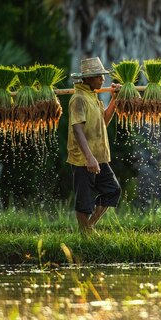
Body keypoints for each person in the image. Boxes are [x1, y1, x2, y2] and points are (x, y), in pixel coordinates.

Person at [67, 57, 121, 234]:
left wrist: (114, 100)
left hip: (99, 157)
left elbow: (103, 122)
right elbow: (77, 130)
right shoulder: (79, 99)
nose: (103, 79)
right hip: (84, 159)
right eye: (99, 76)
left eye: (102, 75)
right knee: (84, 202)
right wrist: (89, 158)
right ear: (88, 78)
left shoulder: (93, 97)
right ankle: (86, 236)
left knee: (113, 190)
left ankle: (89, 229)